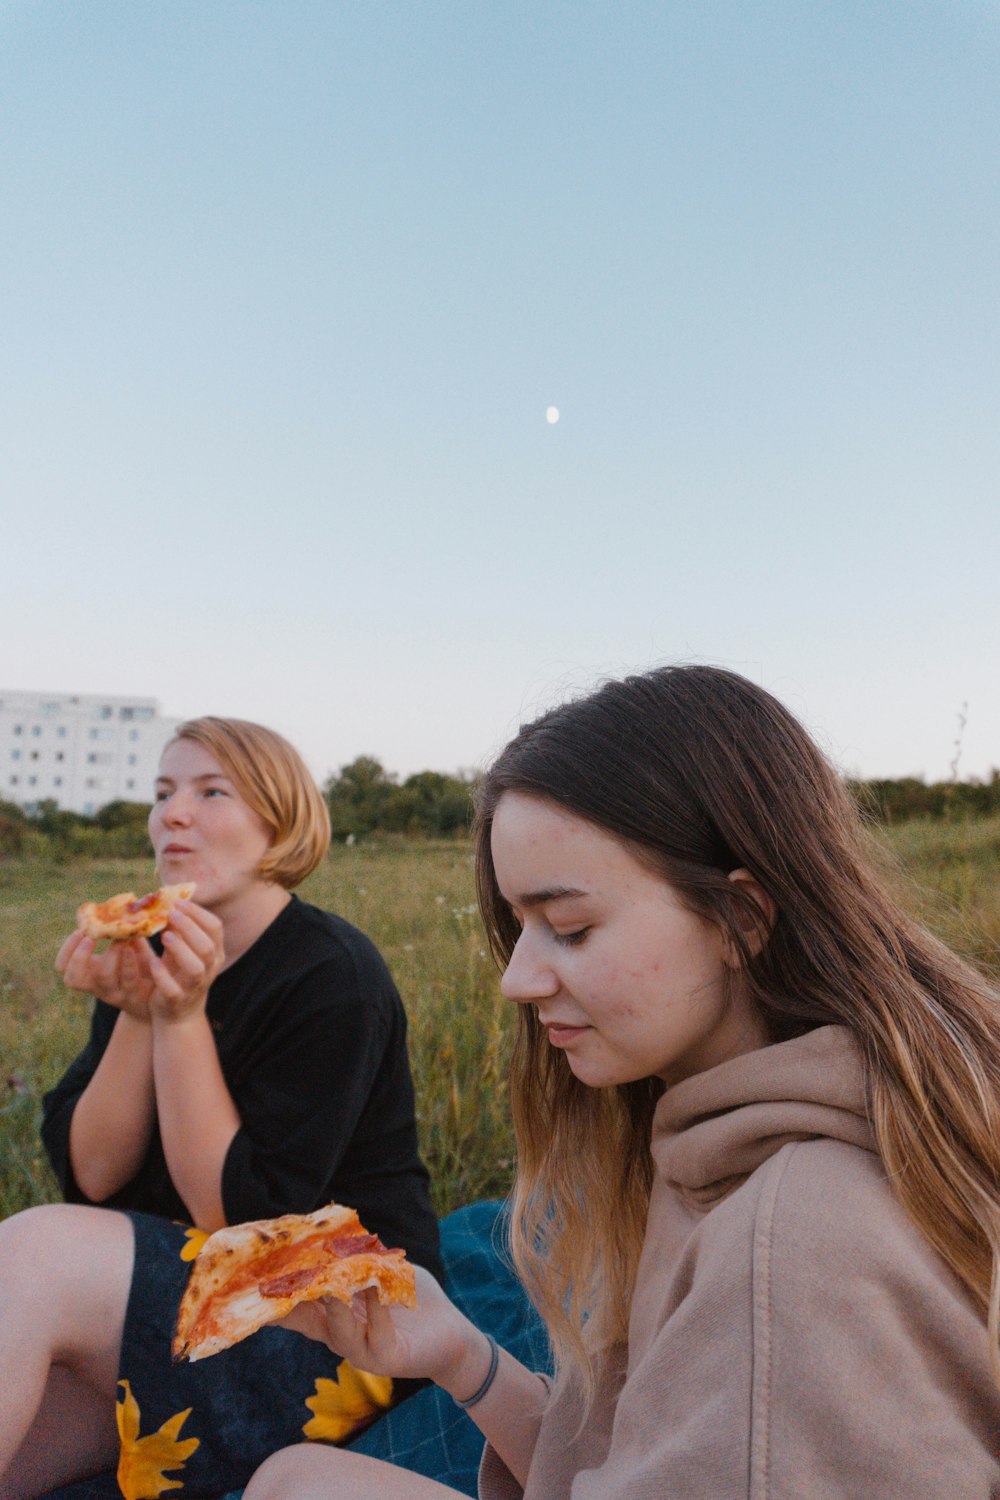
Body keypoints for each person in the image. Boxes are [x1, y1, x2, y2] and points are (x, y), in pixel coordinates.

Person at [242, 664, 1000, 1500]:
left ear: (740, 920)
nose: (517, 980)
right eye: (521, 926)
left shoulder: (792, 1257)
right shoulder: (718, 1132)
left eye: (569, 927)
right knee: (296, 1478)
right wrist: (462, 1355)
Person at [0, 717, 441, 1500]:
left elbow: (244, 1221)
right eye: (164, 792)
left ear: (281, 820)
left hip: (337, 1336)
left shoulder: (333, 976)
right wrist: (140, 1011)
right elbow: (95, 1178)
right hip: (182, 1331)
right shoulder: (155, 949)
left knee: (32, 1254)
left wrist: (179, 1017)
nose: (171, 814)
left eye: (211, 791)